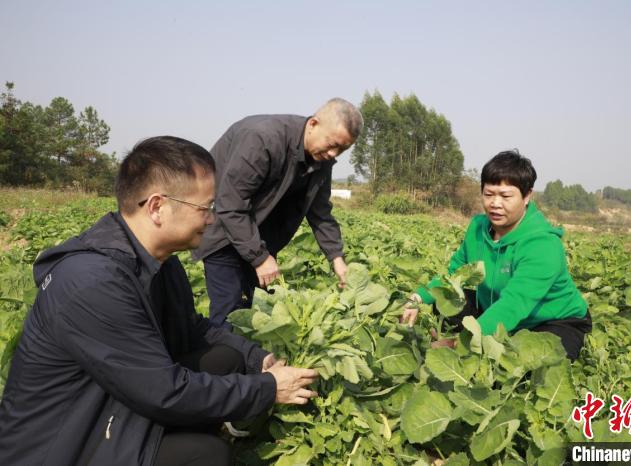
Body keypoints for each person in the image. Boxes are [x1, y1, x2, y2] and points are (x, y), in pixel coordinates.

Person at [0, 136, 318, 466]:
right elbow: (165, 392)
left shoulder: (157, 260)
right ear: (156, 207)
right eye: (205, 208)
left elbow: (193, 328)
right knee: (207, 457)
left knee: (224, 359)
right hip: (66, 441)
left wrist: (257, 360)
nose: (212, 219)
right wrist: (267, 390)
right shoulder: (93, 282)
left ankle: (183, 436)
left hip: (110, 402)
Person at [401, 150, 592, 360]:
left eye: (506, 196)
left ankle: (475, 341)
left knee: (531, 363)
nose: (495, 204)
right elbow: (452, 276)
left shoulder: (543, 245)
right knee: (446, 299)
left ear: (527, 196)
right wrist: (417, 298)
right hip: (493, 306)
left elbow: (513, 305)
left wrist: (457, 344)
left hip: (553, 321)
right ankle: (478, 337)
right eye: (489, 194)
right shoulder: (477, 228)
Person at [193, 98, 363, 327]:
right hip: (223, 232)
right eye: (332, 143)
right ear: (313, 124)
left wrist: (337, 259)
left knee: (260, 313)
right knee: (229, 314)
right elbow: (230, 204)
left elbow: (321, 214)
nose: (334, 153)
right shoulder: (263, 140)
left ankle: (253, 361)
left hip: (257, 237)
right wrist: (260, 258)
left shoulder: (321, 161)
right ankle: (219, 358)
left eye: (342, 149)